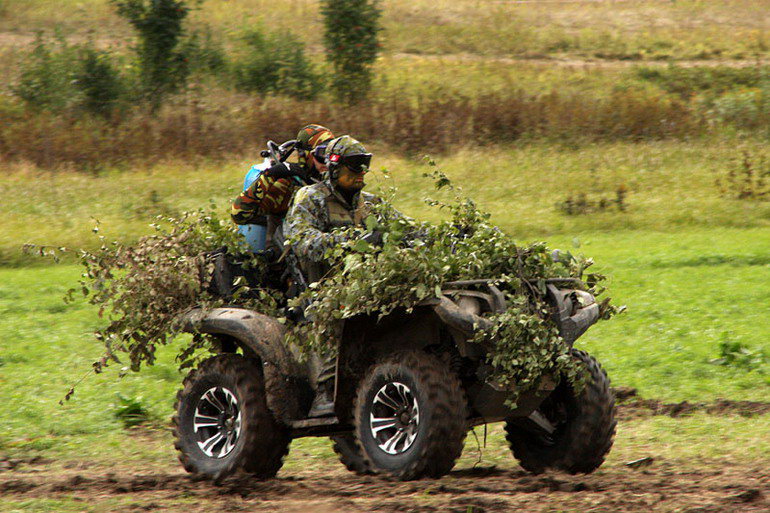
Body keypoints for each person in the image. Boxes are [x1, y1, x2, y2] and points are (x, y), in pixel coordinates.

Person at [283, 135, 391, 417]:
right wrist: (352, 241)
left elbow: (405, 230)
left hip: (368, 284)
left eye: (364, 166)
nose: (361, 174)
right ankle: (325, 391)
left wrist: (444, 237)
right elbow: (303, 242)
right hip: (322, 291)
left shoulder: (371, 203)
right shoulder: (310, 198)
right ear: (333, 168)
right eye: (353, 167)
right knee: (336, 316)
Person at [230, 124, 335, 251]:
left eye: (331, 154)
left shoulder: (339, 183)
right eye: (321, 153)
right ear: (306, 155)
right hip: (288, 262)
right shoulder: (287, 186)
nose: (327, 160)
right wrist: (271, 175)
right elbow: (239, 214)